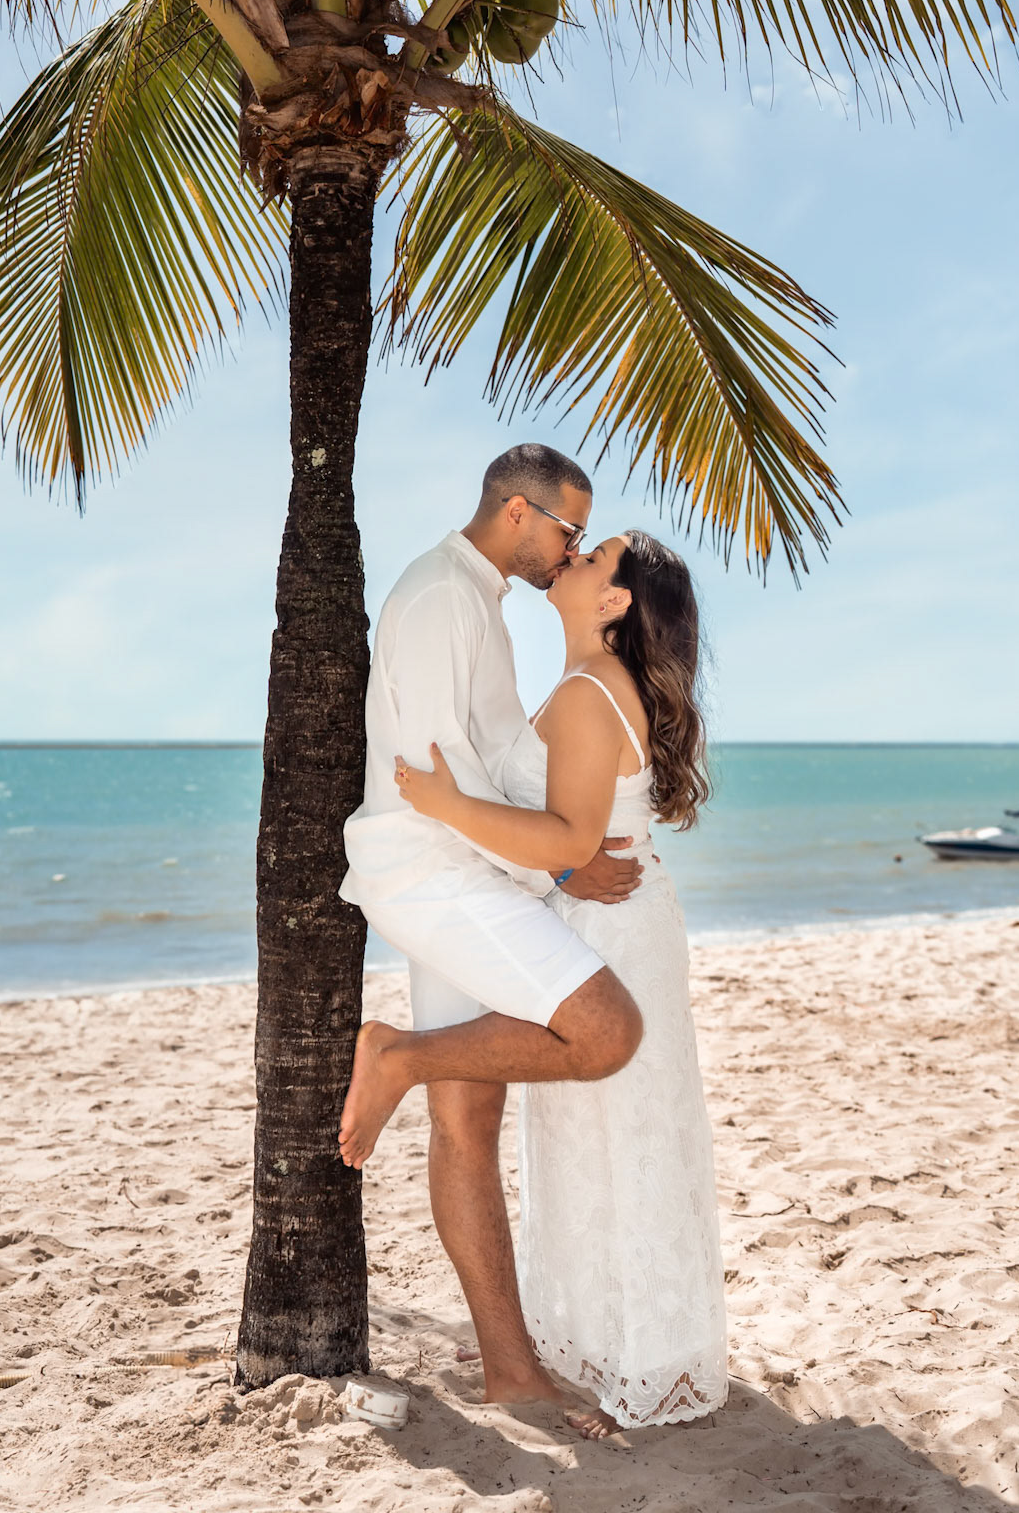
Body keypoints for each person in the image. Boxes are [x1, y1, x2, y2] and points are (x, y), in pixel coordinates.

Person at [395, 531, 727, 1439]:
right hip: (613, 919)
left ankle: (632, 1367)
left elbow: (572, 839)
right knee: (609, 1137)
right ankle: (611, 1346)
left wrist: (446, 807)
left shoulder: (587, 694)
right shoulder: (589, 688)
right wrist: (566, 867)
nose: (572, 559)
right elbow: (577, 842)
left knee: (616, 1141)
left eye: (596, 557)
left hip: (608, 933)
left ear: (614, 602)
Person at [339, 445, 645, 1408]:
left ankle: (512, 1374)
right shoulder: (440, 597)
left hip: (463, 870)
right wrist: (561, 859)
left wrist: (570, 837)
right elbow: (434, 782)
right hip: (434, 873)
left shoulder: (479, 601)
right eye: (569, 530)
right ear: (519, 513)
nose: (572, 548)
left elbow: (498, 758)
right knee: (604, 1032)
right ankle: (394, 1054)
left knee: (467, 1123)